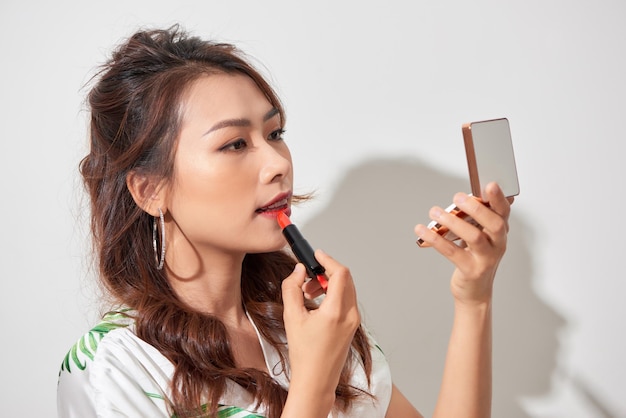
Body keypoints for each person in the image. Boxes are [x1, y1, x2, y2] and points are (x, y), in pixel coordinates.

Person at [57, 25, 513, 418]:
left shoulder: (307, 324)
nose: (277, 162)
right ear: (150, 190)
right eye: (235, 144)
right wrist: (313, 384)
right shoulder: (115, 365)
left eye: (275, 134)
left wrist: (474, 296)